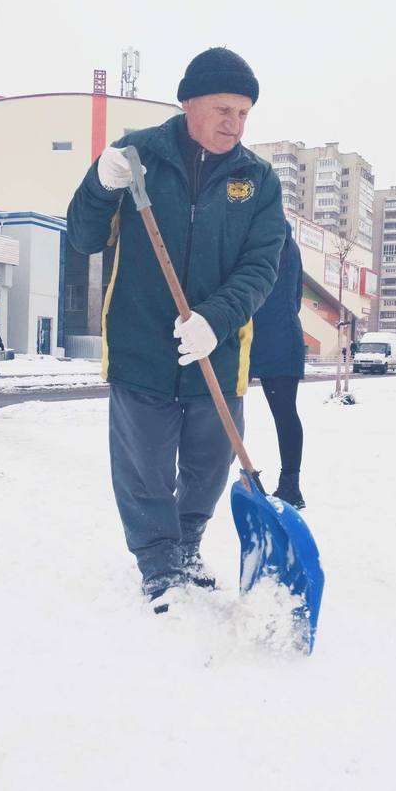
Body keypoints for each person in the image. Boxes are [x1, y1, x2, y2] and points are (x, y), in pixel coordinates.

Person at [67, 48, 286, 613]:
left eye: (243, 114)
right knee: (144, 468)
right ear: (187, 102)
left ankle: (187, 547)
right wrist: (99, 182)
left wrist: (216, 319)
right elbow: (85, 237)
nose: (233, 125)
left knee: (209, 466)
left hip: (217, 352)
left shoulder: (257, 180)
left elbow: (262, 265)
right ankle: (159, 564)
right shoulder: (138, 156)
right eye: (222, 109)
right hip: (141, 348)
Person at [250, 221, 306, 509]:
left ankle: (287, 485)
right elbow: (296, 296)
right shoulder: (291, 245)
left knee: (221, 404)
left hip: (263, 337)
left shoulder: (261, 240)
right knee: (285, 414)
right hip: (285, 336)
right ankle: (290, 484)